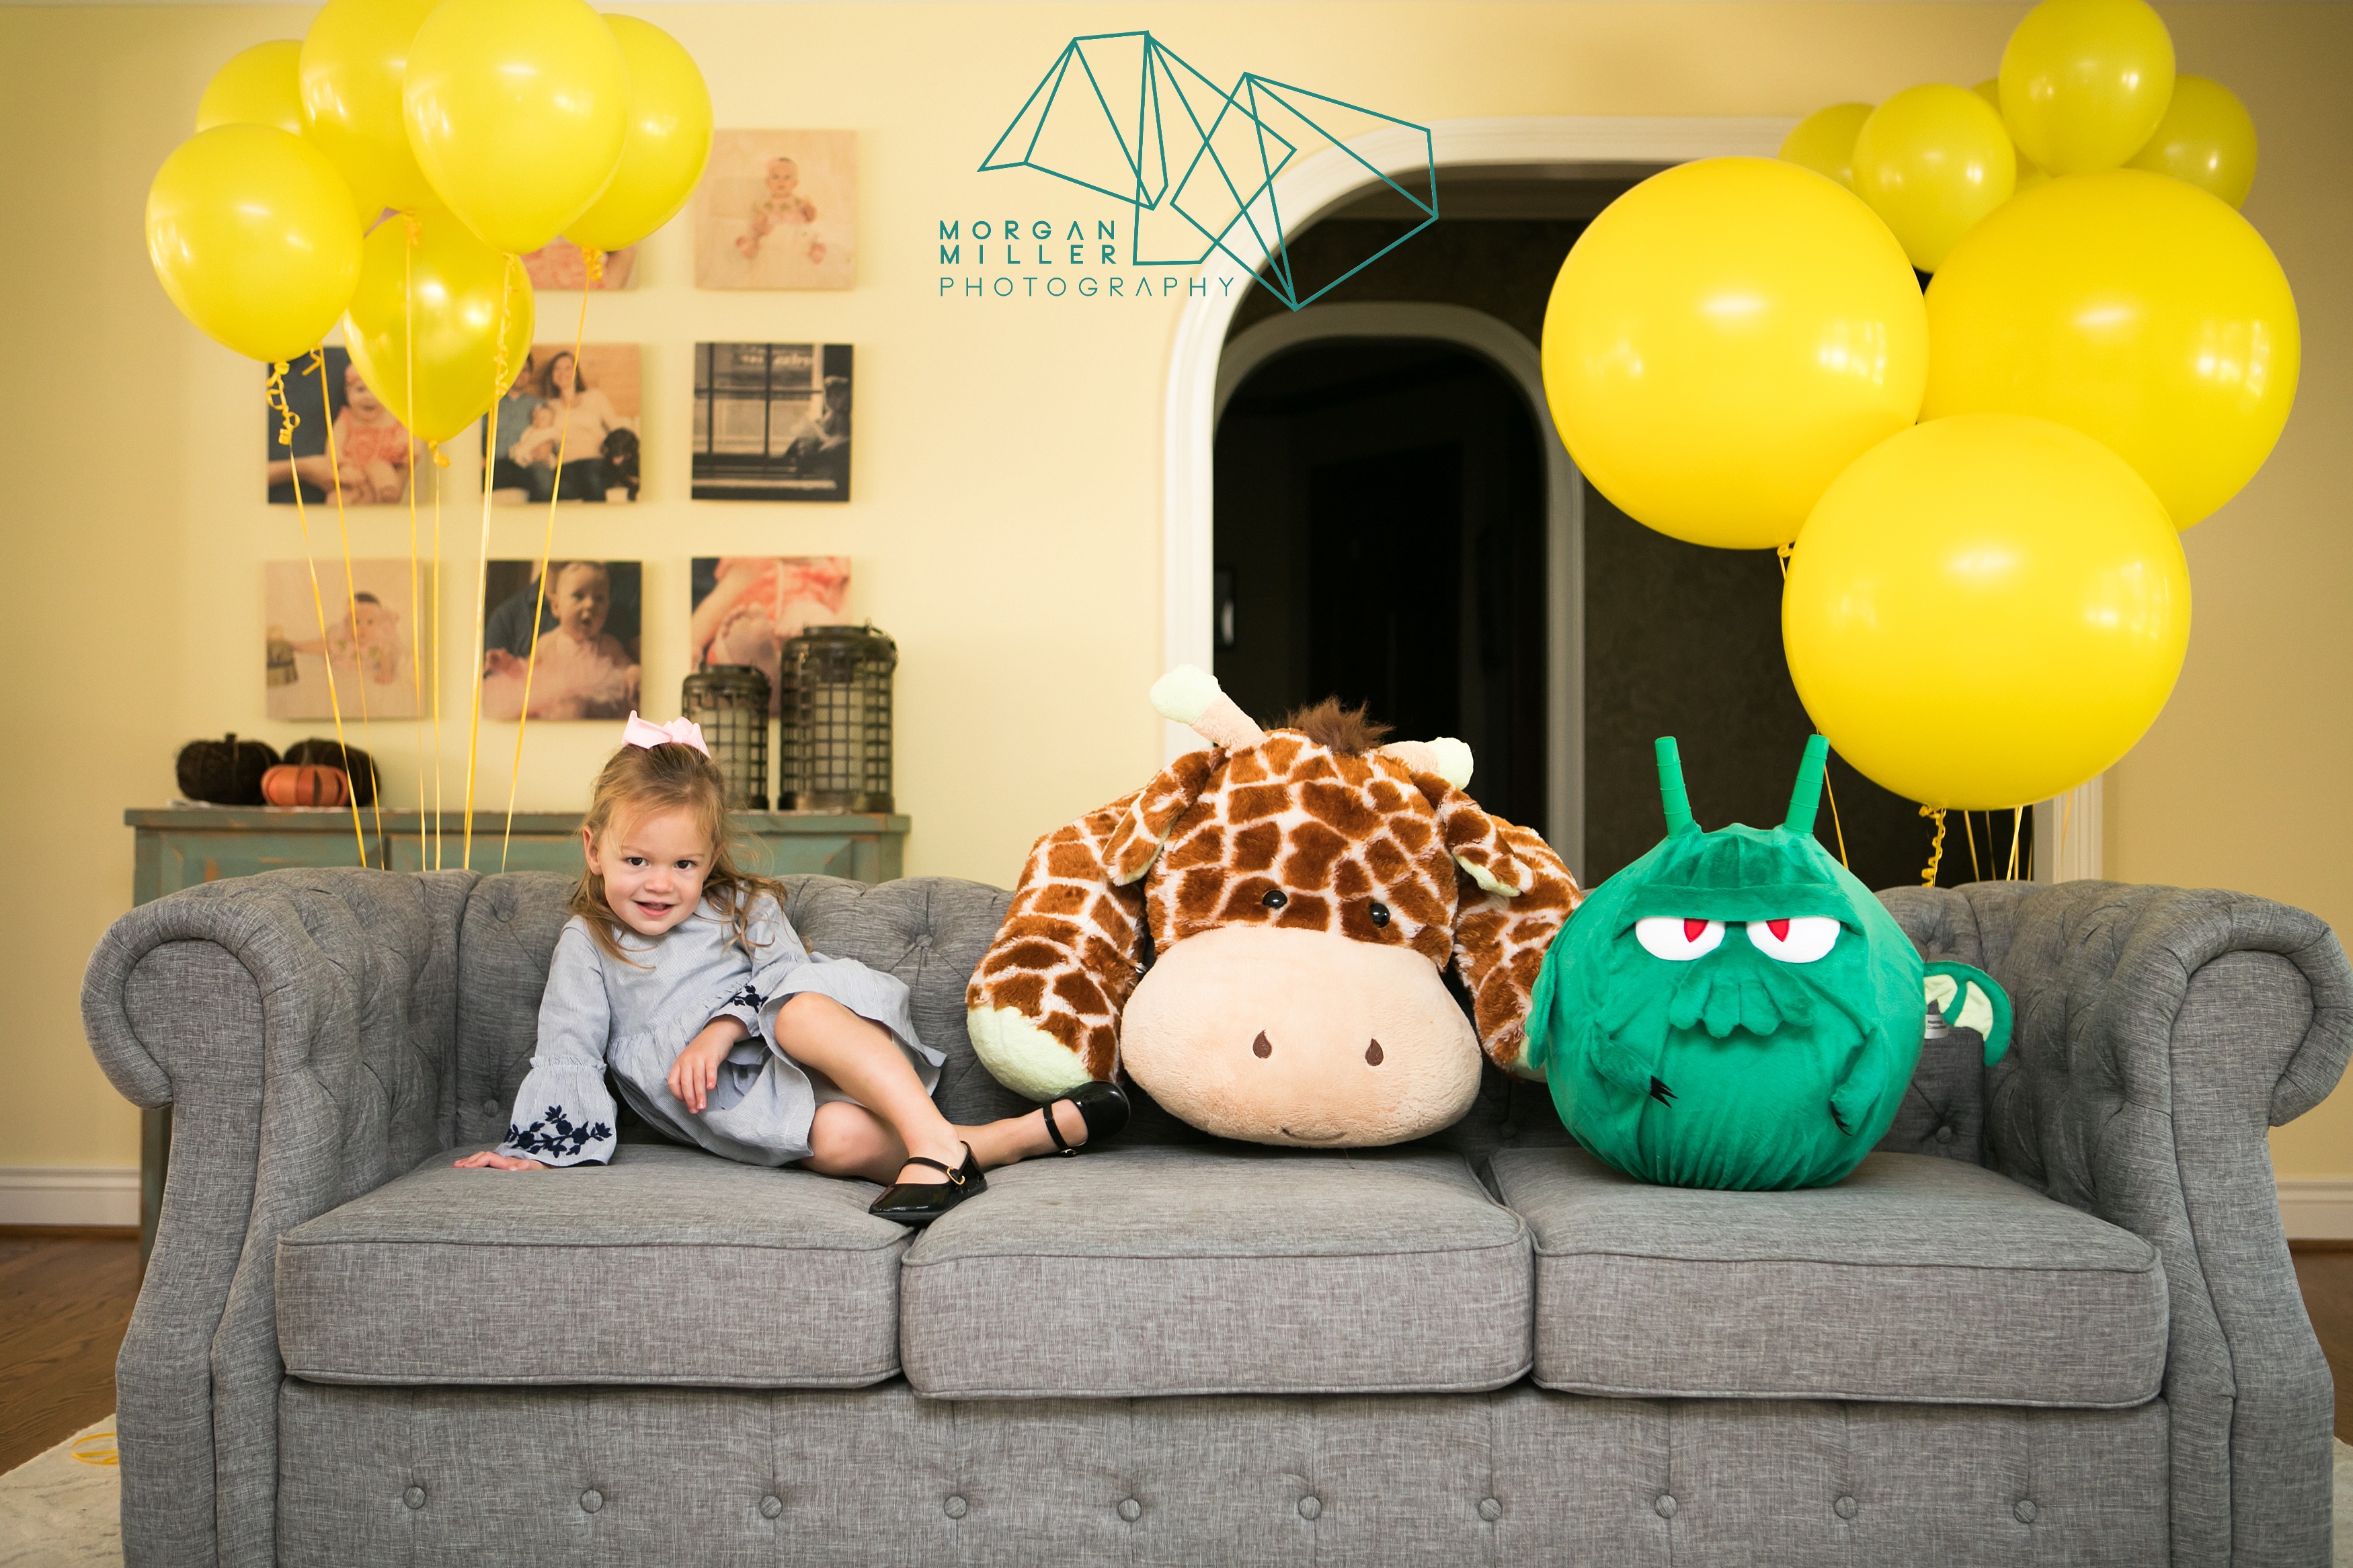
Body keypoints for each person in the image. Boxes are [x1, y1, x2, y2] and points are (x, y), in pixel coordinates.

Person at [454, 720, 1129, 1224]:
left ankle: (932, 1141)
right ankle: (1005, 1140)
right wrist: (537, 1147)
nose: (660, 883)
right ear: (593, 848)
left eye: (683, 864)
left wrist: (720, 1028)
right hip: (750, 1106)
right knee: (836, 1139)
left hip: (817, 1045)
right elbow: (567, 1048)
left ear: (710, 855)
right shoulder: (589, 942)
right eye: (637, 861)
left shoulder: (741, 905)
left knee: (797, 1008)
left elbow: (789, 976)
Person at [481, 560, 641, 720]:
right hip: (550, 709)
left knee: (578, 707)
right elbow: (528, 674)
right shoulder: (547, 643)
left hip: (593, 708)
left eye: (599, 598)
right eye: (578, 596)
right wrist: (508, 665)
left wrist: (633, 671)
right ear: (556, 606)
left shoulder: (608, 644)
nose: (590, 604)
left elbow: (625, 668)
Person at [330, 364, 413, 503]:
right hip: (352, 472)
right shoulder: (346, 420)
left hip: (380, 469)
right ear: (348, 392)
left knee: (382, 471)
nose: (369, 397)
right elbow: (334, 446)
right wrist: (342, 464)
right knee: (337, 496)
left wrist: (402, 447)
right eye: (361, 390)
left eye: (377, 391)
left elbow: (406, 443)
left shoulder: (393, 419)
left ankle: (387, 499)